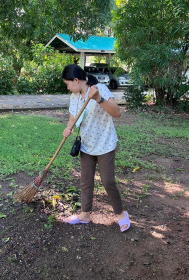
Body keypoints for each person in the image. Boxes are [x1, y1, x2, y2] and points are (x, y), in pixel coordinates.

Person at [62, 64, 130, 232]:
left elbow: (117, 113)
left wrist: (99, 98)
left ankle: (121, 214)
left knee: (108, 181)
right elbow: (73, 115)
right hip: (86, 144)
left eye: (68, 83)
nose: (68, 87)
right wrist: (68, 128)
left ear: (76, 80)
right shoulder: (75, 96)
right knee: (85, 181)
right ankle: (85, 214)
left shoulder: (100, 89)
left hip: (105, 143)